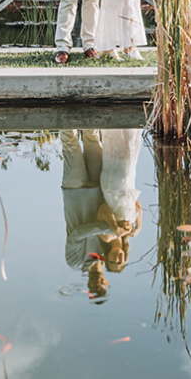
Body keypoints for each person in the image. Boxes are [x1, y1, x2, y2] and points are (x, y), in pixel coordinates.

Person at [60, 128, 143, 299]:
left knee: (70, 141)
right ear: (106, 282)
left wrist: (110, 228)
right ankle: (85, 103)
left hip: (74, 190)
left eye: (93, 289)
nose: (97, 285)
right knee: (92, 137)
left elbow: (77, 234)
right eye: (101, 288)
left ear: (88, 286)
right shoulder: (108, 248)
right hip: (98, 187)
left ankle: (66, 106)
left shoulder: (74, 262)